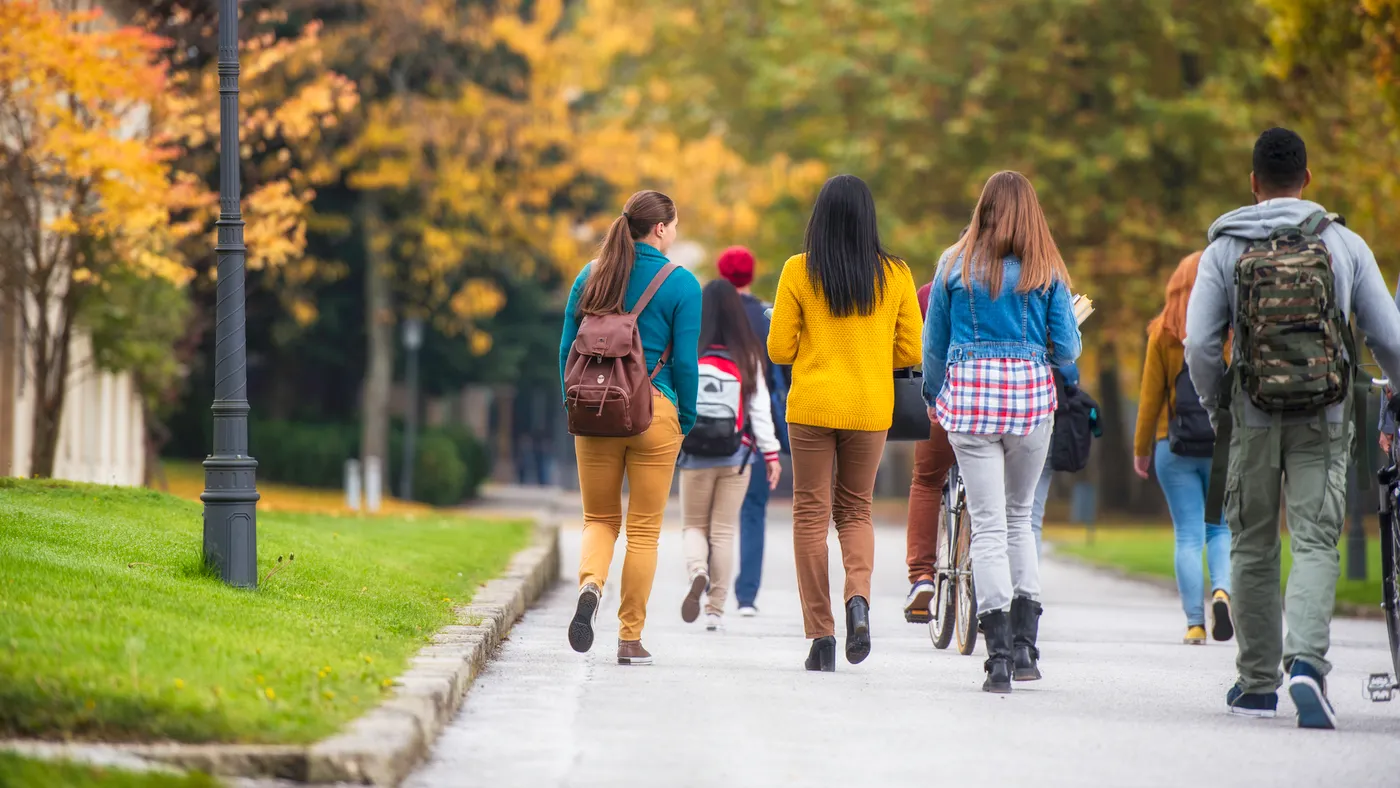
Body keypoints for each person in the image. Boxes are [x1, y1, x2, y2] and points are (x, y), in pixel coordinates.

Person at [1185, 127, 1400, 727]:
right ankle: (1306, 664)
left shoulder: (1224, 250)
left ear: (1253, 183)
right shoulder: (1346, 245)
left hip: (1250, 416)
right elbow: (1390, 339)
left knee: (1252, 543)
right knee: (1313, 540)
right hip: (1325, 417)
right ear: (1308, 179)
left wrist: (1215, 404)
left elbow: (1199, 345)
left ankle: (1256, 686)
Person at [923, 171, 1081, 693]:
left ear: (983, 208)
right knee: (1020, 521)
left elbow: (935, 345)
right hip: (1031, 401)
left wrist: (932, 394)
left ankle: (996, 657)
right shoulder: (1047, 270)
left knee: (988, 526)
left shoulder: (954, 264)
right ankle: (1026, 645)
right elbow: (1069, 349)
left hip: (969, 400)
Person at [768, 174, 923, 672]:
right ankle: (859, 602)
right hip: (870, 408)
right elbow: (910, 350)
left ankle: (822, 636)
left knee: (810, 516)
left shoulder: (798, 270)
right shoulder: (895, 274)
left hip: (811, 406)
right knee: (855, 511)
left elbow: (779, 349)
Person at [560, 190, 702, 666]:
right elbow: (685, 364)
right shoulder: (682, 284)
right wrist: (684, 418)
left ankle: (589, 587)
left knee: (599, 520)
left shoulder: (589, 275)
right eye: (675, 224)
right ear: (660, 228)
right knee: (643, 532)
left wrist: (576, 406)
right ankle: (628, 638)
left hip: (594, 411)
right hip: (654, 412)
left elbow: (567, 352)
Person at [1133, 252, 1233, 646]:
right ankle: (1222, 589)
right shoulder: (1228, 332)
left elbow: (1148, 399)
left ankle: (1194, 623)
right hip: (1221, 443)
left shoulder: (1162, 334)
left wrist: (1141, 450)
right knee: (1220, 527)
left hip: (1172, 445)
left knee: (1188, 535)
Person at [677, 279, 783, 632]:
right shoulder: (748, 353)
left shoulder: (691, 348)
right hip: (736, 455)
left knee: (694, 525)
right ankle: (715, 610)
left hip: (694, 455)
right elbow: (760, 410)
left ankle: (697, 570)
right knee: (723, 531)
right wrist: (770, 454)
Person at [717, 246, 790, 617]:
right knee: (753, 509)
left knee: (712, 511)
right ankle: (746, 596)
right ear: (750, 275)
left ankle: (710, 584)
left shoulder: (707, 315)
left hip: (712, 423)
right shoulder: (765, 318)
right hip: (758, 425)